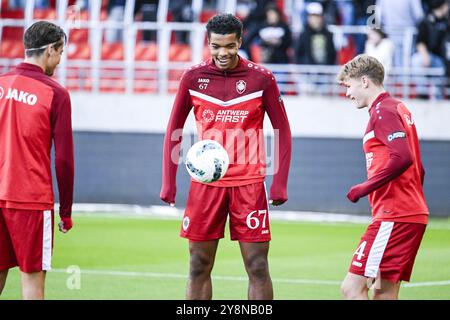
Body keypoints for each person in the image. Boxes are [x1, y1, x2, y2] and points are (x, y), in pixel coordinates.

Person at [160, 13, 292, 300]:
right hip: (205, 186)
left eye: (230, 46)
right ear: (208, 43)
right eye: (216, 46)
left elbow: (283, 128)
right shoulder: (193, 77)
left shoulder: (262, 78)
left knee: (257, 266)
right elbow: (174, 128)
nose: (223, 53)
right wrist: (168, 182)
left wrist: (280, 182)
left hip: (249, 184)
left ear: (240, 42)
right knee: (198, 265)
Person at [337, 55, 428, 300]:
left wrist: (364, 187)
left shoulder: (383, 112)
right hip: (409, 213)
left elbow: (403, 157)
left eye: (349, 86)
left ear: (364, 81)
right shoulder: (398, 107)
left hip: (394, 215)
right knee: (383, 293)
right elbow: (419, 168)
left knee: (352, 287)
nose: (347, 93)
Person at [0, 21, 75, 300]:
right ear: (50, 50)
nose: (60, 59)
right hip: (31, 200)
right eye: (61, 52)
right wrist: (65, 211)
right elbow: (64, 160)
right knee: (32, 286)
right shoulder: (56, 93)